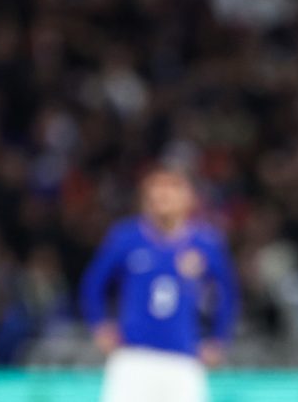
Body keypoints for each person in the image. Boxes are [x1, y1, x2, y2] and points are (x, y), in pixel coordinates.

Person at [80, 167, 239, 402]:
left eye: (172, 187)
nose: (163, 195)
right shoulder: (126, 237)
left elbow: (227, 293)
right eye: (156, 188)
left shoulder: (205, 242)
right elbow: (94, 283)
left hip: (183, 359)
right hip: (133, 357)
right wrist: (99, 324)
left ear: (189, 196)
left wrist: (218, 339)